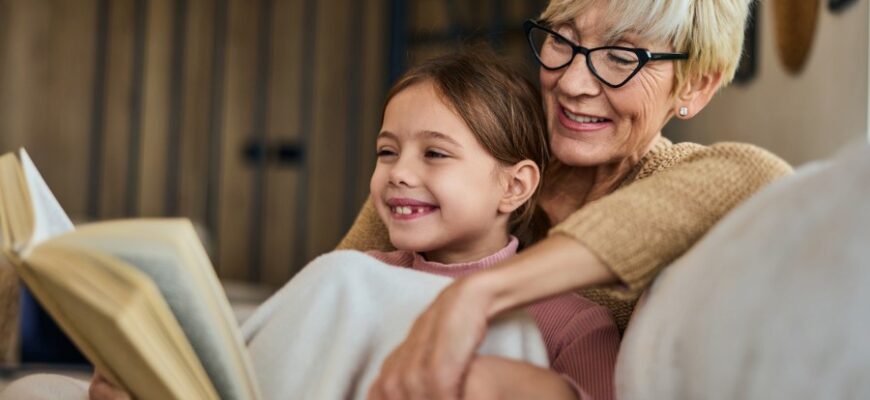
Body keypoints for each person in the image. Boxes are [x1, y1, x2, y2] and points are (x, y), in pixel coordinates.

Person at [72, 50, 618, 400]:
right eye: (386, 151)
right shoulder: (357, 277)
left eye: (434, 155)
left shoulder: (568, 320)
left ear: (515, 186)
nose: (398, 174)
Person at [343, 0, 793, 399]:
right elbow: (336, 297)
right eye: (563, 40)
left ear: (696, 85)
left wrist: (479, 293)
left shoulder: (678, 180)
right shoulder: (469, 159)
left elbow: (759, 173)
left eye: (621, 57)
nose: (574, 82)